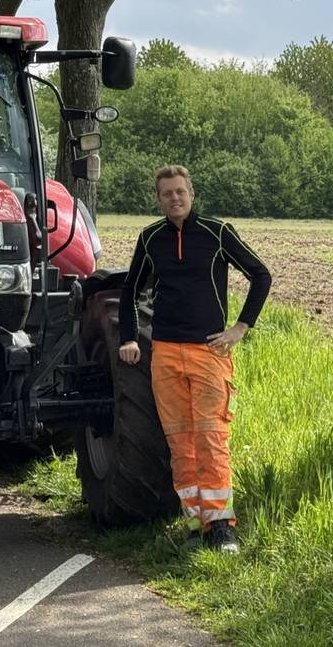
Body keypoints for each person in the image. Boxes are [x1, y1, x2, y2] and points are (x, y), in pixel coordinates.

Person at [118, 165, 271, 554]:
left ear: (192, 193)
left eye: (180, 191)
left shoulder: (217, 233)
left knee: (211, 439)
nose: (174, 198)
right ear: (159, 198)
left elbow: (261, 275)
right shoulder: (151, 238)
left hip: (209, 352)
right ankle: (194, 523)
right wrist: (128, 338)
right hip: (165, 353)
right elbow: (129, 292)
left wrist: (240, 328)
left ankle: (221, 525)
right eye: (167, 193)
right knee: (180, 442)